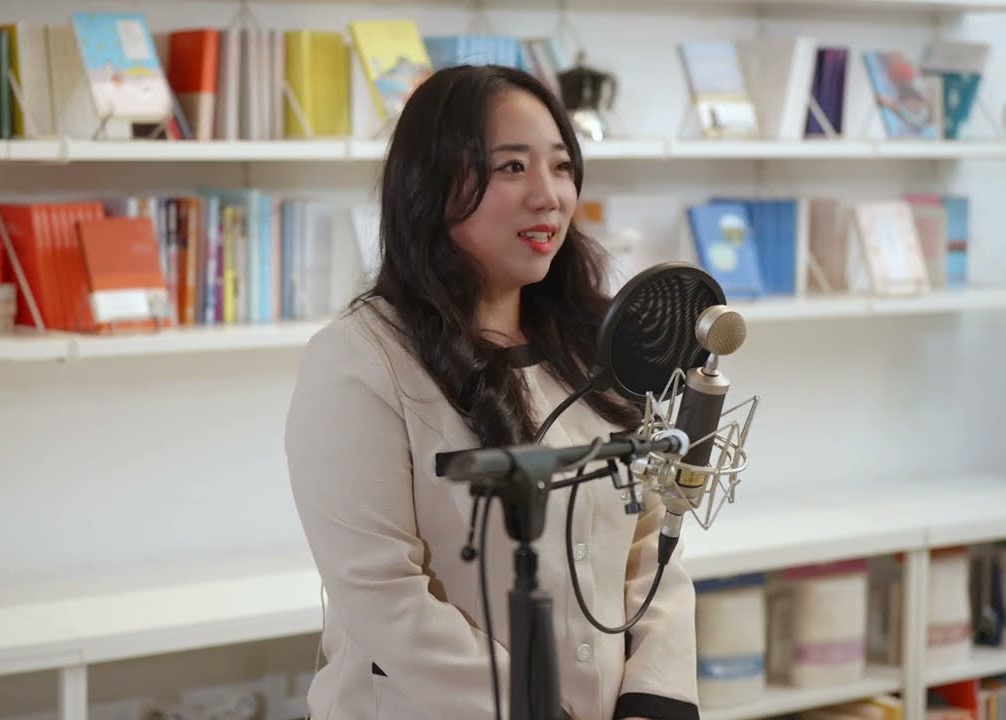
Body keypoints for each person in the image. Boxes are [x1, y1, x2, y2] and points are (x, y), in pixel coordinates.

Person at [284, 64, 700, 720]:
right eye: (512, 167)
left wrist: (654, 697)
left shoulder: (593, 347)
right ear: (432, 185)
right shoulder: (358, 361)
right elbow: (383, 593)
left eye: (560, 167)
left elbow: (650, 540)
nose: (548, 196)